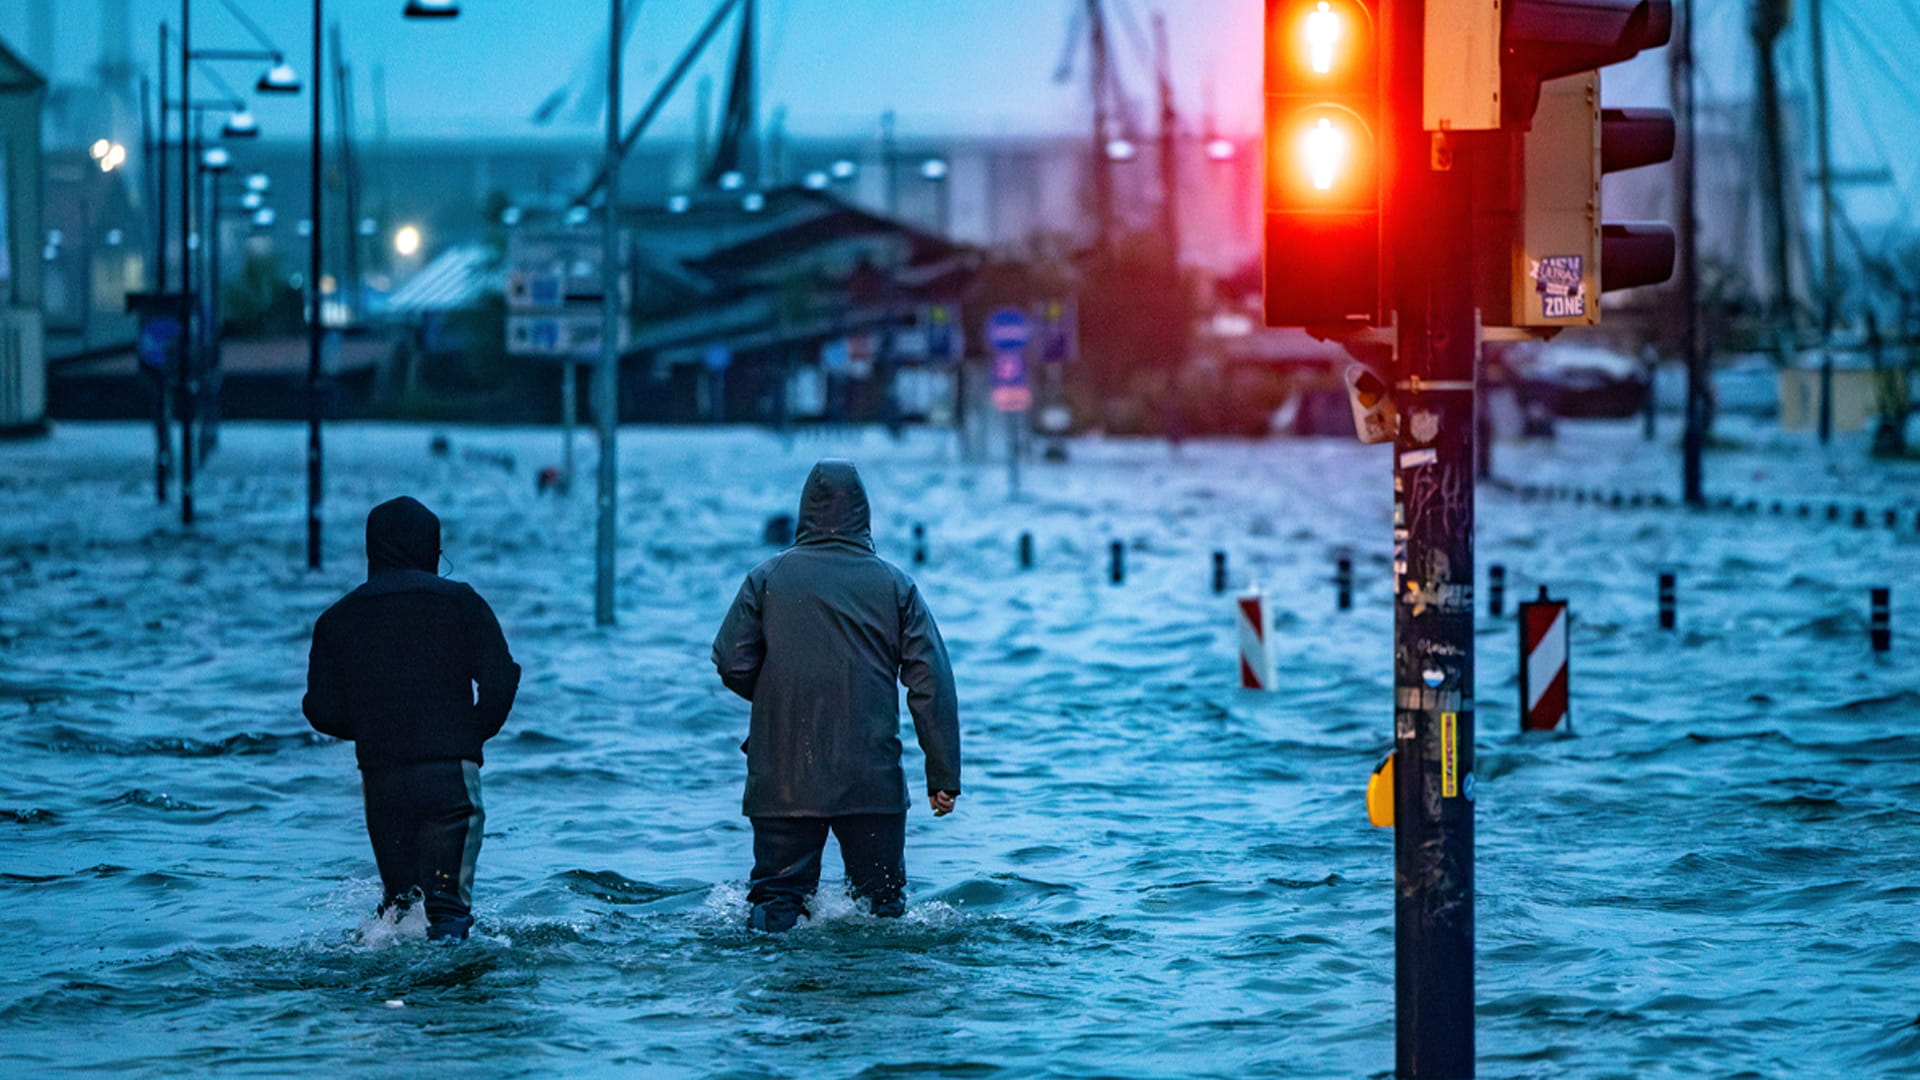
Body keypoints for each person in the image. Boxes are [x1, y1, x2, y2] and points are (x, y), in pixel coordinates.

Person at [712, 459, 961, 932]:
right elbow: (932, 682)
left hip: (782, 777)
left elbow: (731, 661)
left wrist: (780, 699)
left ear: (805, 512)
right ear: (864, 516)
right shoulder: (895, 585)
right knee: (882, 908)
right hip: (872, 777)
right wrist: (942, 774)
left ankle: (778, 998)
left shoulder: (765, 579)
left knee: (777, 902)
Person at [303, 496, 520, 942]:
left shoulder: (337, 618)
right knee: (448, 913)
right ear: (431, 550)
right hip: (450, 778)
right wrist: (466, 734)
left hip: (382, 780)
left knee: (399, 911)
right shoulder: (462, 602)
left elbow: (319, 710)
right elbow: (501, 681)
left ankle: (393, 1002)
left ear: (372, 552)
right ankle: (447, 1000)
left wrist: (377, 729)